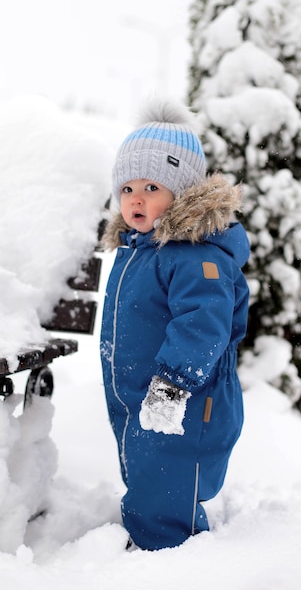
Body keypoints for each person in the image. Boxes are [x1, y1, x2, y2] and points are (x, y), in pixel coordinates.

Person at [99, 97, 250, 551]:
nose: (136, 198)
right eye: (127, 189)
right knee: (146, 469)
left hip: (181, 394)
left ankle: (165, 557)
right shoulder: (140, 251)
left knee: (168, 478)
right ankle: (151, 532)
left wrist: (173, 384)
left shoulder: (194, 255)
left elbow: (204, 323)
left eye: (151, 186)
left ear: (182, 192)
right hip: (137, 393)